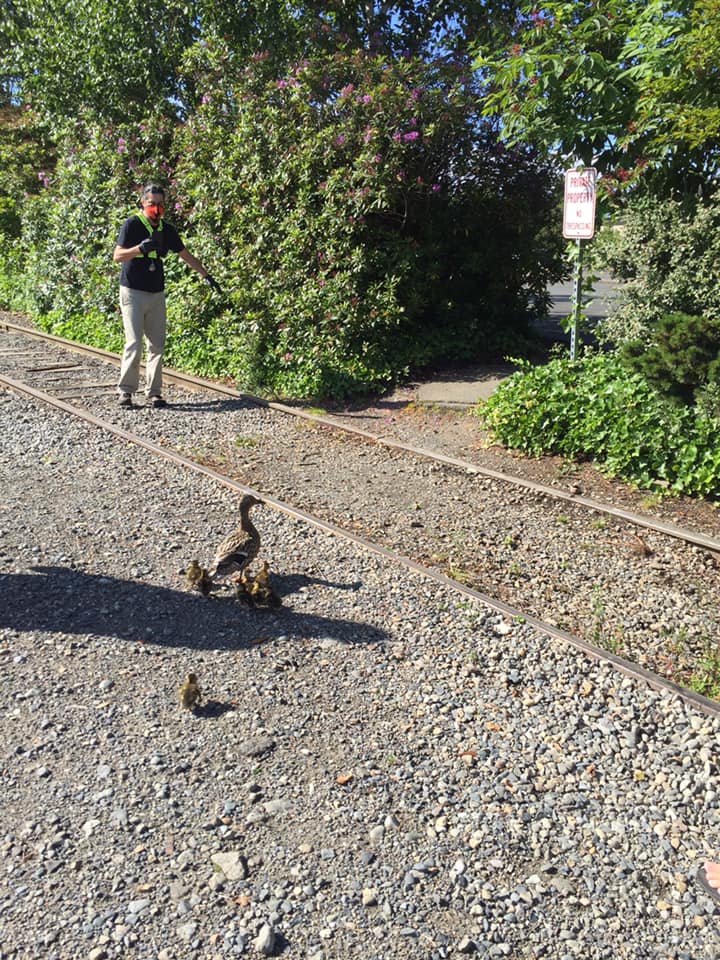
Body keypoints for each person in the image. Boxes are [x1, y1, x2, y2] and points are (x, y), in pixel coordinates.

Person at [113, 183, 221, 407]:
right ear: (143, 203)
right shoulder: (132, 224)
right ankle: (126, 391)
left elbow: (185, 254)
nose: (156, 208)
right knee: (134, 343)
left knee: (157, 344)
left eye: (160, 204)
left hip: (156, 292)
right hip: (132, 291)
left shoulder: (166, 229)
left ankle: (154, 393)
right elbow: (118, 256)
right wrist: (139, 249)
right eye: (152, 204)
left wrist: (206, 275)